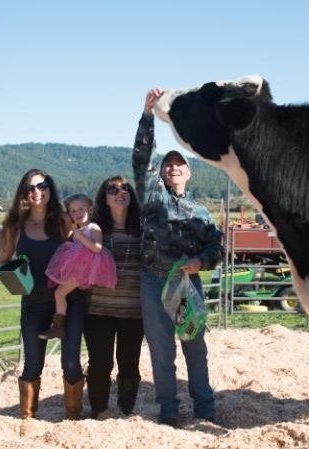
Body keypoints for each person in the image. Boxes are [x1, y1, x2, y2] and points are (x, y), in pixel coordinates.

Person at [133, 88, 224, 427]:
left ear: (188, 173)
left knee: (195, 351)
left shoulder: (200, 211)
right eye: (168, 164)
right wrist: (147, 115)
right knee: (161, 353)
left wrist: (202, 262)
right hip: (153, 281)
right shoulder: (152, 199)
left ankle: (205, 409)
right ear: (162, 173)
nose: (172, 167)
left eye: (179, 164)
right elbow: (143, 157)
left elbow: (217, 248)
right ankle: (169, 410)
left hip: (187, 284)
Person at [0, 169, 86, 420]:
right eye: (31, 187)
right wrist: (17, 279)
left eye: (42, 185)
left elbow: (83, 250)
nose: (37, 191)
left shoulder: (64, 221)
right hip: (33, 302)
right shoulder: (15, 226)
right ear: (24, 193)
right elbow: (3, 261)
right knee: (32, 364)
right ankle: (26, 419)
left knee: (70, 363)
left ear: (50, 188)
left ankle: (73, 417)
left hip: (69, 301)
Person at [84, 176, 145, 418]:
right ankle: (98, 409)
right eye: (113, 189)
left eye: (125, 188)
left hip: (134, 310)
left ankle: (126, 408)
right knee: (100, 363)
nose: (120, 192)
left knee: (129, 363)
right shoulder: (94, 229)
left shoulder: (143, 228)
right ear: (104, 198)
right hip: (98, 308)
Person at [40, 193, 117, 340]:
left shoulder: (93, 227)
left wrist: (80, 237)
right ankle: (58, 325)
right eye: (73, 211)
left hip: (84, 270)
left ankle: (58, 327)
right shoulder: (76, 229)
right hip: (78, 269)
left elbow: (97, 248)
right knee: (59, 293)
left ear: (90, 209)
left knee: (59, 293)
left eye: (81, 209)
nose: (77, 213)